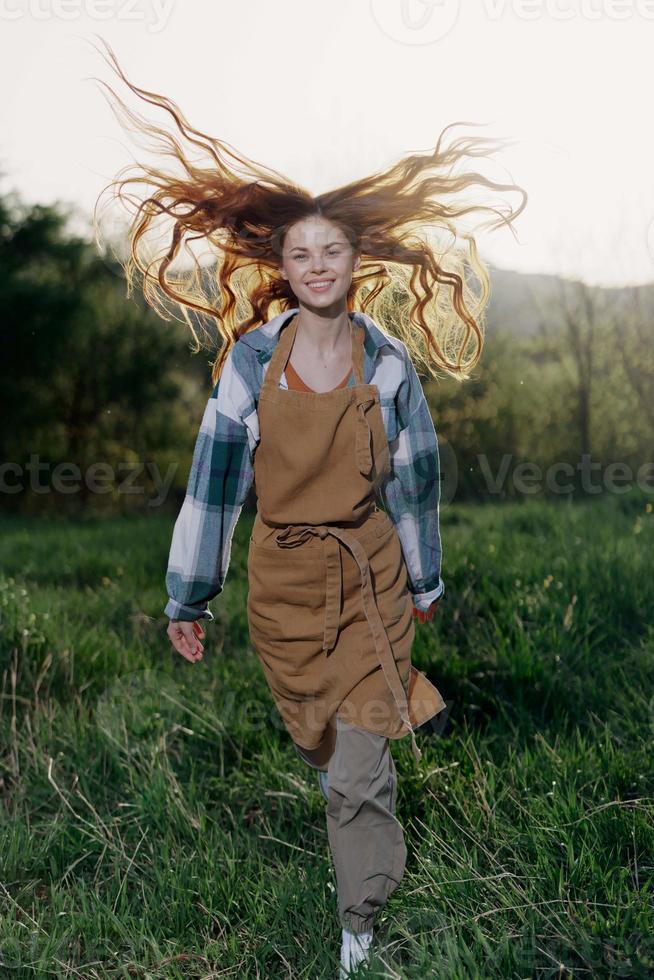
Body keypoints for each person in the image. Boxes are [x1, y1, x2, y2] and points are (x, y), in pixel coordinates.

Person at [93, 37, 526, 977]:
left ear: (357, 260)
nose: (319, 264)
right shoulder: (251, 366)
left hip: (369, 578)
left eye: (334, 250)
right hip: (283, 588)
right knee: (322, 743)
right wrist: (186, 597)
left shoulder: (390, 366)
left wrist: (425, 577)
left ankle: (359, 928)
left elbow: (416, 481)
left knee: (361, 771)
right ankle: (352, 756)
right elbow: (212, 489)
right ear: (281, 265)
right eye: (302, 252)